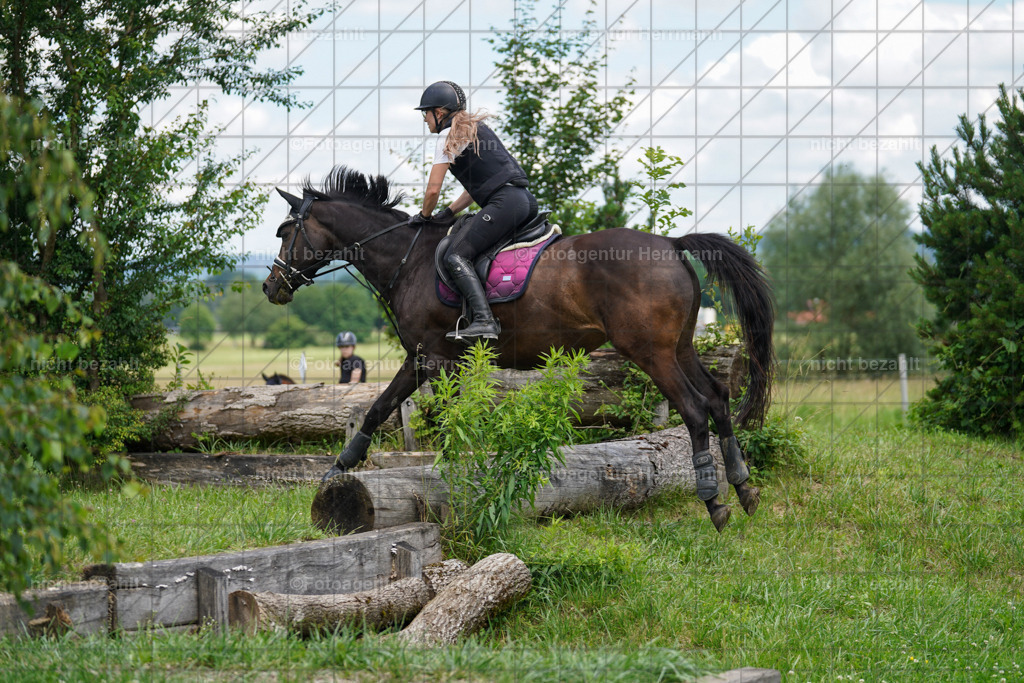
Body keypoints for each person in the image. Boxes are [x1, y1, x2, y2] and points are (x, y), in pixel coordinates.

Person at [411, 80, 538, 343]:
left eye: (426, 112)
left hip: (505, 204)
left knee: (456, 255)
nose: (424, 119)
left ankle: (484, 320)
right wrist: (449, 211)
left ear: (440, 112)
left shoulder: (448, 137)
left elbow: (433, 189)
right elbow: (476, 189)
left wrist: (424, 216)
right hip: (522, 200)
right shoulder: (476, 130)